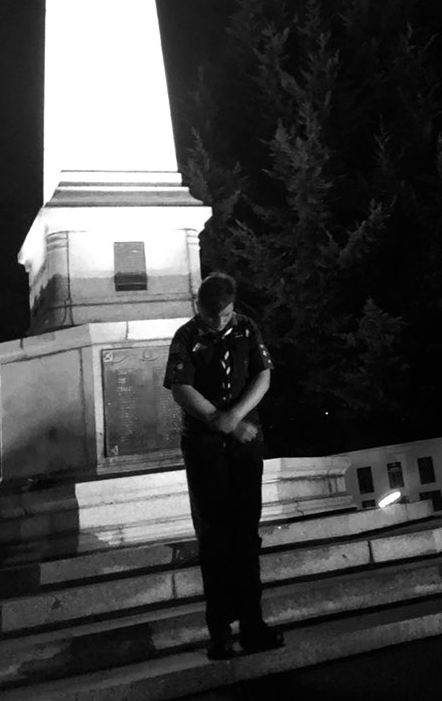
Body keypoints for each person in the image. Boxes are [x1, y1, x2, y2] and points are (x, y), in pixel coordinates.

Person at [163, 271, 285, 659]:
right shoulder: (185, 336)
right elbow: (180, 387)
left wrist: (236, 417)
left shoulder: (247, 328)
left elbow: (263, 374)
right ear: (198, 306)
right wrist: (219, 420)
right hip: (204, 448)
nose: (218, 322)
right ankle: (220, 632)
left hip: (245, 443)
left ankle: (253, 624)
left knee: (246, 534)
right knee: (214, 537)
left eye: (226, 313)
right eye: (210, 314)